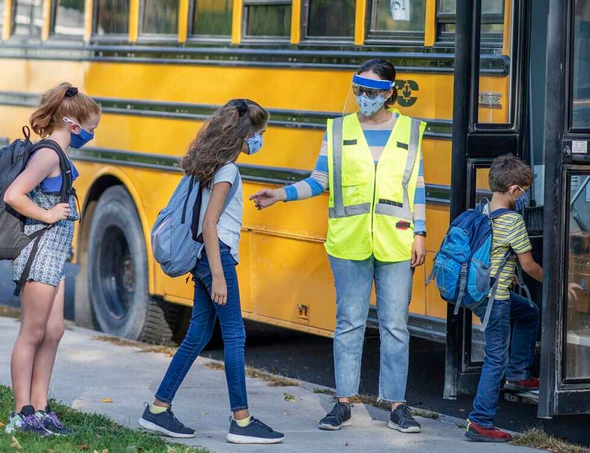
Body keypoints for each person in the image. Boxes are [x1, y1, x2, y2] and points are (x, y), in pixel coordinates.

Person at [250, 58, 427, 434]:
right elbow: (319, 180)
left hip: (396, 240)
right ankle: (343, 402)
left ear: (390, 94)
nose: (364, 98)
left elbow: (417, 185)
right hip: (348, 242)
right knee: (350, 323)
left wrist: (421, 233)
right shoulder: (337, 130)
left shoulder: (410, 131)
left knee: (396, 325)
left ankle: (397, 405)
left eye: (373, 92)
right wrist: (282, 194)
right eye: (359, 90)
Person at [139, 99, 285, 445]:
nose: (260, 141)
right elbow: (209, 223)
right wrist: (218, 276)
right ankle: (242, 420)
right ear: (245, 135)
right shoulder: (228, 171)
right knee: (235, 336)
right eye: (259, 134)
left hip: (205, 257)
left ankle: (158, 410)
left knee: (198, 335)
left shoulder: (206, 165)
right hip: (216, 257)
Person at [2, 83, 101, 437]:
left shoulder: (60, 154)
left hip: (55, 256)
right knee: (32, 332)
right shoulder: (47, 155)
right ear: (73, 125)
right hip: (39, 255)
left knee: (54, 331)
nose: (91, 135)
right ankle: (22, 412)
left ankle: (41, 407)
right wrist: (46, 216)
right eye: (90, 130)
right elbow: (14, 194)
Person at [464, 154, 542, 443]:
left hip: (482, 294)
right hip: (496, 299)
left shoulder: (482, 211)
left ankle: (519, 372)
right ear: (513, 189)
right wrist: (559, 284)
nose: (524, 195)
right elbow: (529, 266)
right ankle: (480, 421)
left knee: (528, 312)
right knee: (495, 358)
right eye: (523, 189)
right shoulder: (513, 221)